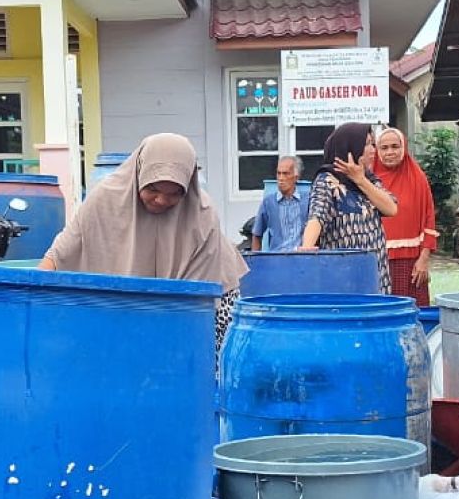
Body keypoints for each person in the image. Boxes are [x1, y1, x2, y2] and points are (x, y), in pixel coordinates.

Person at [38, 133, 248, 352]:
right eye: (153, 189)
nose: (162, 200)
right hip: (133, 307)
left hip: (204, 305)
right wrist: (31, 297)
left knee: (192, 364)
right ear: (139, 175)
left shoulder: (202, 215)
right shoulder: (105, 198)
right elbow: (61, 252)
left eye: (174, 194)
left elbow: (196, 299)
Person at [300, 122, 398, 293]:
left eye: (372, 144)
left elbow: (391, 208)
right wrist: (306, 249)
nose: (373, 150)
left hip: (375, 276)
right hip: (343, 277)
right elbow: (317, 216)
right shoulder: (327, 180)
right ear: (351, 147)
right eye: (367, 144)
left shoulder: (369, 180)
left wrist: (360, 180)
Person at [372, 127, 436, 305]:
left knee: (412, 315)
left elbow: (429, 219)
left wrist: (423, 260)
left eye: (395, 146)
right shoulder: (368, 181)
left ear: (404, 148)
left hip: (411, 263)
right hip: (376, 261)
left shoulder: (418, 178)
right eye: (384, 148)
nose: (390, 152)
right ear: (377, 150)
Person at [251, 156, 309, 252]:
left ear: (296, 177)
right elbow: (257, 234)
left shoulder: (307, 201)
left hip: (301, 258)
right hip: (276, 259)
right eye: (279, 173)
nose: (281, 178)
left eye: (286, 174)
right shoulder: (268, 202)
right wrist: (255, 262)